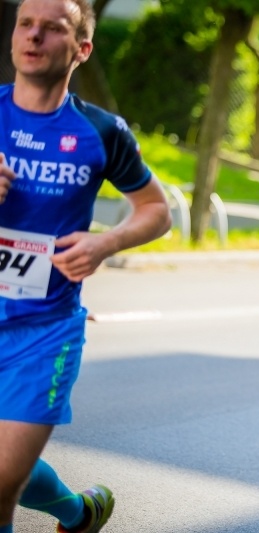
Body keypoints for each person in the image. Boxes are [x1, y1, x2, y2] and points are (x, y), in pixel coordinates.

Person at [0, 1, 172, 532]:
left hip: (44, 331)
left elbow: (157, 209)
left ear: (82, 49)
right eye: (25, 24)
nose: (33, 37)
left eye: (52, 28)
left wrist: (105, 243)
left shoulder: (101, 131)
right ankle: (78, 512)